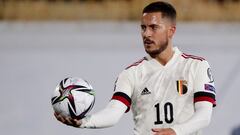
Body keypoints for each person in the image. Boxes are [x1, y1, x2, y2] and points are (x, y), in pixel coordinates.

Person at [54, 1, 216, 135]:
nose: (146, 34)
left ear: (171, 31)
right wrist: (84, 122)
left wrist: (175, 131)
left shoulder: (197, 66)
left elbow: (204, 115)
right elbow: (114, 112)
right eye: (143, 28)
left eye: (153, 27)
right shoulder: (131, 73)